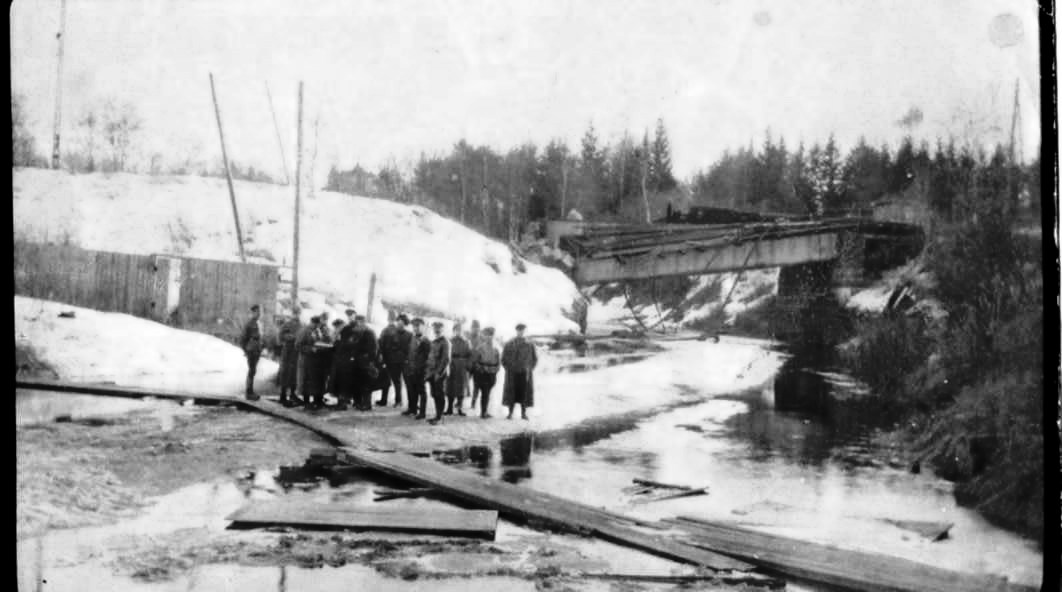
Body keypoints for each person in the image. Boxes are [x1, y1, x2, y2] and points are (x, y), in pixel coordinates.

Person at [501, 323, 537, 420]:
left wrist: (529, 369)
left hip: (524, 373)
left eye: (522, 330)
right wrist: (509, 369)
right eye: (519, 330)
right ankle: (510, 413)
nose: (521, 332)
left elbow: (534, 359)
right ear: (516, 331)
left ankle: (523, 414)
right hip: (512, 373)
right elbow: (503, 359)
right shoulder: (509, 344)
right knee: (512, 392)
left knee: (524, 393)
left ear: (525, 331)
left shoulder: (529, 345)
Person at [377, 314, 412, 407]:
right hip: (391, 361)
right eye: (398, 322)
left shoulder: (409, 335)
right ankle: (385, 400)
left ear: (405, 324)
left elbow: (411, 349)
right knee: (389, 380)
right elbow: (386, 346)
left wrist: (407, 359)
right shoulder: (391, 333)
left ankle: (400, 401)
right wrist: (384, 358)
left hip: (404, 362)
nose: (399, 324)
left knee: (401, 382)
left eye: (402, 323)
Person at [402, 318, 431, 419]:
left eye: (418, 326)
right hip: (411, 369)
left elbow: (429, 358)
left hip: (421, 370)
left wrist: (425, 370)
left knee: (421, 391)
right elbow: (409, 353)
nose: (416, 328)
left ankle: (422, 412)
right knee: (411, 389)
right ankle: (412, 409)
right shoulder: (412, 338)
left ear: (423, 327)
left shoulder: (426, 341)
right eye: (414, 326)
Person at [470, 326, 501, 418]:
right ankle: (483, 412)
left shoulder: (496, 349)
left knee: (487, 393)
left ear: (493, 336)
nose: (489, 337)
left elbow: (498, 363)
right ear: (484, 336)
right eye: (487, 335)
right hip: (482, 374)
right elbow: (475, 362)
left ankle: (485, 411)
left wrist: (494, 370)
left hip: (491, 374)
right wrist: (482, 368)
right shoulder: (480, 348)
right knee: (485, 393)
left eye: (491, 335)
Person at [351, 315, 379, 411]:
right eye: (357, 322)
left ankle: (367, 404)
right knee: (358, 382)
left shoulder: (369, 332)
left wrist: (370, 360)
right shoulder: (356, 332)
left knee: (366, 383)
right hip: (357, 361)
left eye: (360, 322)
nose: (359, 324)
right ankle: (358, 402)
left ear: (364, 322)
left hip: (366, 361)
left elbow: (374, 348)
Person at [298, 316, 326, 408]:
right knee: (307, 380)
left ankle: (316, 401)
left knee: (315, 381)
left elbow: (319, 341)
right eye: (316, 324)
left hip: (316, 361)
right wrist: (310, 349)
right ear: (312, 323)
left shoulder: (317, 331)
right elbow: (298, 345)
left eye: (318, 325)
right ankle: (306, 401)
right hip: (307, 360)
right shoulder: (304, 331)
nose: (317, 326)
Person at [425, 321, 450, 425]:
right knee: (434, 394)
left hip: (439, 374)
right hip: (432, 372)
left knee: (439, 395)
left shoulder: (445, 342)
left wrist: (438, 373)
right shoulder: (434, 341)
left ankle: (440, 417)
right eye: (435, 328)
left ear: (442, 329)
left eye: (439, 328)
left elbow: (445, 360)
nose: (436, 330)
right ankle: (437, 415)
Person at [238, 304, 264, 400]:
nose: (259, 314)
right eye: (257, 312)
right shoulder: (249, 324)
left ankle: (250, 391)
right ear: (253, 312)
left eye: (259, 312)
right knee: (251, 371)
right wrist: (246, 350)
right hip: (252, 351)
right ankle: (249, 393)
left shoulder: (257, 323)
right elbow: (242, 339)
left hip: (256, 350)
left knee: (253, 371)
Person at [445, 322, 472, 416]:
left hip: (462, 367)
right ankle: (449, 408)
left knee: (461, 388)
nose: (458, 332)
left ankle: (460, 408)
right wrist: (447, 365)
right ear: (453, 331)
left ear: (462, 331)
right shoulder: (450, 341)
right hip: (452, 365)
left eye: (460, 330)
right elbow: (446, 354)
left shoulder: (466, 342)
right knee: (450, 388)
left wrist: (467, 365)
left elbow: (470, 355)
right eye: (456, 330)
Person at [277, 308, 302, 406]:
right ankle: (283, 396)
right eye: (295, 313)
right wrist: (290, 337)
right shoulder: (287, 325)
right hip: (287, 351)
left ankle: (292, 394)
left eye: (298, 313)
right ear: (292, 314)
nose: (296, 315)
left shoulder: (301, 325)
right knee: (285, 373)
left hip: (296, 352)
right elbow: (280, 337)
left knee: (294, 373)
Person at [467, 320, 482, 407]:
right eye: (473, 327)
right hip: (468, 365)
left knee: (476, 385)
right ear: (471, 328)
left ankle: (473, 401)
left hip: (477, 365)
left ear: (479, 329)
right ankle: (460, 401)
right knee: (465, 383)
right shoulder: (467, 337)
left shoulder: (482, 339)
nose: (475, 329)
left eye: (477, 328)